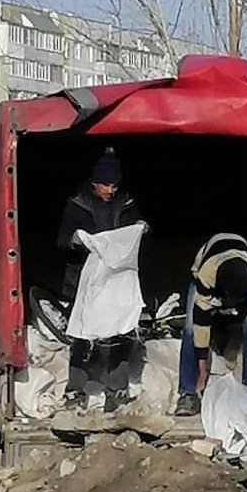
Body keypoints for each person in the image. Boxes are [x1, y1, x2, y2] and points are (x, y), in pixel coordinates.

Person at [56, 149, 144, 412]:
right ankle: (76, 389)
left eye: (115, 184)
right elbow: (61, 241)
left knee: (120, 334)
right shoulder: (77, 205)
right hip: (83, 283)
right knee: (82, 337)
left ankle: (115, 390)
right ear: (94, 183)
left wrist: (140, 228)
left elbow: (134, 232)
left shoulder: (127, 203)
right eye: (106, 184)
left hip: (115, 282)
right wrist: (76, 241)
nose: (111, 190)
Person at [175, 233, 247, 417]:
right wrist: (203, 371)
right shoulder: (207, 274)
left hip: (242, 286)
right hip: (207, 281)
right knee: (190, 329)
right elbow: (201, 324)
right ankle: (187, 393)